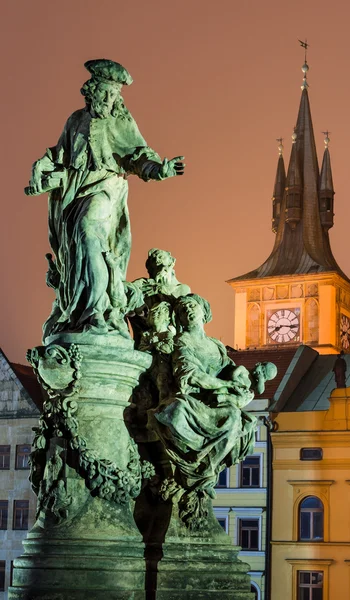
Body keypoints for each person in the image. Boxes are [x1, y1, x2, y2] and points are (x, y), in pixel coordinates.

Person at [25, 59, 185, 340]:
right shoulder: (75, 120)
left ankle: (98, 310)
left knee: (90, 237)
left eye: (115, 95)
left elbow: (138, 156)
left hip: (105, 190)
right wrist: (42, 164)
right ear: (92, 91)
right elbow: (60, 152)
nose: (112, 99)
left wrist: (161, 169)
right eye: (107, 93)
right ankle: (78, 311)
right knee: (75, 254)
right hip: (74, 193)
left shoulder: (120, 121)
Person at [148, 294, 258, 505]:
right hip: (195, 400)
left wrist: (245, 384)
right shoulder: (182, 340)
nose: (188, 310)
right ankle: (199, 471)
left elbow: (232, 372)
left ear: (204, 311)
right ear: (179, 319)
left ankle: (205, 471)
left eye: (193, 305)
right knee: (175, 412)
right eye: (182, 309)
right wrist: (227, 385)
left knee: (234, 418)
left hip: (217, 402)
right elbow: (189, 375)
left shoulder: (216, 345)